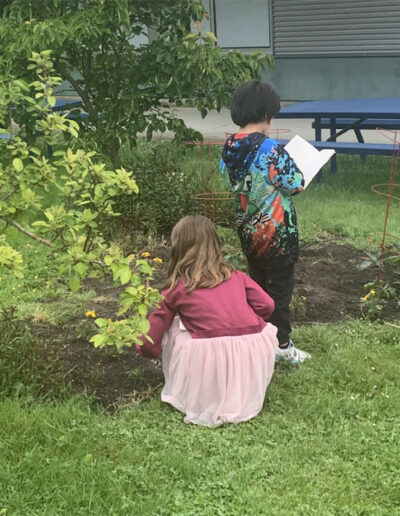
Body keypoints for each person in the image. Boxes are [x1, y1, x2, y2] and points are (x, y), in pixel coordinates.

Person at [136, 215, 278, 427]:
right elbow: (267, 305)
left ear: (179, 248)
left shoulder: (178, 287)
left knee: (176, 328)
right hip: (252, 351)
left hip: (209, 357)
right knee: (215, 334)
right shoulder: (235, 275)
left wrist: (154, 351)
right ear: (214, 245)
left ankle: (207, 390)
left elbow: (148, 341)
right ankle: (236, 388)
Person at [220, 79, 310, 365]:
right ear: (267, 115)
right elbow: (295, 184)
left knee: (257, 288)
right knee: (280, 292)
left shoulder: (229, 148)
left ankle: (257, 337)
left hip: (248, 231)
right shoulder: (271, 150)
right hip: (277, 236)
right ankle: (281, 345)